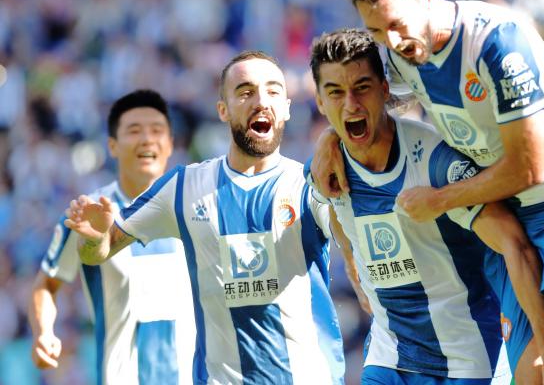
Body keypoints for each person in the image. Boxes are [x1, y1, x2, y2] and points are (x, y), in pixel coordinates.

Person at [312, 0, 544, 384]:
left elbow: (530, 168)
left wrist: (439, 200)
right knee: (535, 376)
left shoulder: (496, 43)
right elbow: (365, 105)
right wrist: (329, 139)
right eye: (377, 30)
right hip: (514, 220)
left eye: (395, 24)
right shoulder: (404, 56)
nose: (391, 40)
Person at [65, 51, 346, 384]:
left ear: (286, 106)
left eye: (272, 91)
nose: (260, 100)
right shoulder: (185, 188)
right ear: (222, 110)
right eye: (245, 91)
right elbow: (100, 250)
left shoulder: (312, 186)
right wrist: (94, 238)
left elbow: (353, 240)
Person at [308, 28, 544, 384]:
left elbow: (512, 242)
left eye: (362, 88)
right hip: (390, 354)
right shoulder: (326, 168)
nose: (350, 104)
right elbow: (331, 205)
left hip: (466, 357)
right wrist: (353, 266)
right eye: (335, 93)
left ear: (385, 89)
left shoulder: (435, 161)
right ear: (320, 101)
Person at [28, 89, 195, 385]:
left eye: (157, 131)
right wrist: (44, 331)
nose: (147, 139)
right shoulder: (88, 213)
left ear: (170, 144)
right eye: (134, 130)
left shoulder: (194, 209)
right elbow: (47, 283)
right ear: (113, 146)